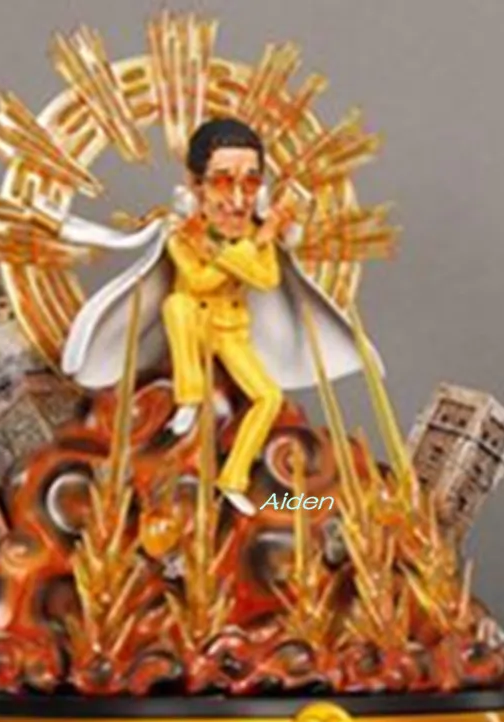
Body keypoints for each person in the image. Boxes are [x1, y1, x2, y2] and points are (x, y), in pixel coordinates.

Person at [60, 117, 375, 515]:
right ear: (196, 184)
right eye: (223, 181)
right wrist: (248, 247)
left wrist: (250, 243)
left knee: (269, 397)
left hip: (232, 330)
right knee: (177, 305)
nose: (238, 198)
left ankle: (233, 478)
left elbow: (266, 277)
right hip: (192, 323)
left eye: (251, 182)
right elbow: (199, 280)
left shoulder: (252, 235)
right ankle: (189, 397)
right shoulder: (184, 233)